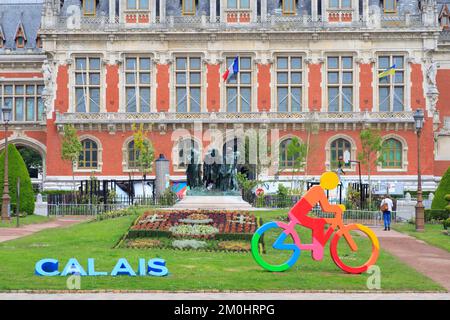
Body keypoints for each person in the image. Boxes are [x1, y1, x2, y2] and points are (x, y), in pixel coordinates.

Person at [289, 172, 345, 260]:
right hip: (298, 215)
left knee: (318, 223)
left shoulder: (317, 189)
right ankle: (317, 252)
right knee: (318, 224)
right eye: (334, 184)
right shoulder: (318, 190)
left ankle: (317, 251)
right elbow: (326, 208)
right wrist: (338, 208)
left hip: (297, 213)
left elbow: (325, 207)